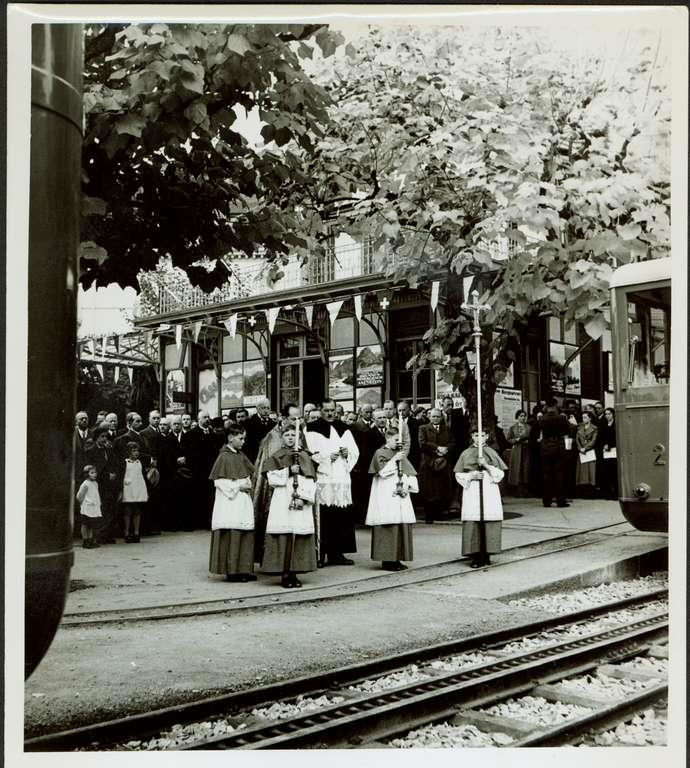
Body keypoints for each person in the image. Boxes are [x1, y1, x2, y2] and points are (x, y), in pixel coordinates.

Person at [261, 423, 318, 588]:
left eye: (294, 435)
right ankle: (285, 574)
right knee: (284, 534)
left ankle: (294, 572)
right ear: (282, 438)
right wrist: (288, 471)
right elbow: (272, 479)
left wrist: (304, 498)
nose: (290, 438)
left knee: (298, 534)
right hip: (282, 499)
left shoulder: (304, 456)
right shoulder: (276, 456)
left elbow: (311, 480)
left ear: (299, 437)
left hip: (300, 500)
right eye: (287, 435)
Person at [306, 399, 359, 566]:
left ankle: (338, 553)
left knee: (341, 516)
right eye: (326, 410)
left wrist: (347, 454)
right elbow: (309, 454)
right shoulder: (311, 429)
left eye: (332, 410)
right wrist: (327, 458)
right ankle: (320, 554)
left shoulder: (344, 428)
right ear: (320, 409)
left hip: (341, 477)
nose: (330, 413)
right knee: (325, 517)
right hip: (324, 479)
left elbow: (355, 451)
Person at [252, 403, 302, 565]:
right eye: (293, 418)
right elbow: (268, 466)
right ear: (283, 418)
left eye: (299, 418)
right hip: (275, 488)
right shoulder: (272, 437)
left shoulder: (299, 434)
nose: (297, 422)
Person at [365, 426, 418, 571]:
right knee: (388, 524)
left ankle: (397, 558)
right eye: (396, 440)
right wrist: (395, 459)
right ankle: (387, 560)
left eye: (400, 440)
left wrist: (407, 486)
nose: (399, 443)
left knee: (400, 524)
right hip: (386, 493)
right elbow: (382, 472)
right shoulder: (380, 453)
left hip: (401, 494)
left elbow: (409, 473)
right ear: (387, 438)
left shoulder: (400, 454)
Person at [208, 425, 256, 583]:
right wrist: (238, 487)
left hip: (242, 500)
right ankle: (232, 571)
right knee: (232, 535)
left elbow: (248, 473)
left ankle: (243, 569)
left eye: (244, 438)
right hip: (230, 501)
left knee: (244, 533)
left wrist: (246, 484)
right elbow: (219, 481)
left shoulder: (240, 455)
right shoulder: (224, 457)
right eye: (241, 438)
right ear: (230, 438)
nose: (243, 442)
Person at [454, 428, 507, 568]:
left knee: (489, 519)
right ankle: (475, 555)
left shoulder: (492, 452)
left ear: (487, 436)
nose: (479, 438)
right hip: (472, 489)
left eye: (482, 435)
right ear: (472, 436)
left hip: (489, 488)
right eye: (476, 435)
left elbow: (500, 474)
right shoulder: (466, 453)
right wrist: (471, 476)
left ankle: (487, 554)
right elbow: (458, 474)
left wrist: (486, 465)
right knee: (474, 519)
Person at [417, 408, 455, 523]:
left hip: (443, 463)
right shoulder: (423, 428)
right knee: (428, 490)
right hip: (428, 463)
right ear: (429, 417)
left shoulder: (447, 428)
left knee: (441, 488)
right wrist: (437, 449)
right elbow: (422, 444)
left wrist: (446, 449)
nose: (435, 418)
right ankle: (429, 515)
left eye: (438, 416)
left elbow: (452, 442)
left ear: (441, 417)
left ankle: (439, 514)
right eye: (433, 416)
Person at [86, 427, 120, 543]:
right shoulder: (90, 451)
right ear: (96, 438)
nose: (104, 439)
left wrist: (114, 473)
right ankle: (99, 535)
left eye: (106, 437)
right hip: (99, 484)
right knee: (101, 509)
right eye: (102, 437)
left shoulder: (109, 450)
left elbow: (115, 463)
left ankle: (108, 534)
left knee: (110, 509)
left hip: (110, 484)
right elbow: (92, 469)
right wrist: (107, 475)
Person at [539, 399, 570, 508]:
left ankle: (546, 500)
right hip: (558, 447)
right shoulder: (561, 418)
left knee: (547, 474)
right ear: (556, 405)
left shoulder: (542, 419)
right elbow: (567, 431)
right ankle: (560, 500)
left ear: (546, 406)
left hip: (546, 447)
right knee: (559, 473)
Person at [120, 441, 148, 543]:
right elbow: (121, 476)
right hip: (128, 489)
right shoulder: (125, 462)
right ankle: (127, 533)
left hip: (138, 489)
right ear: (128, 452)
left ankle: (136, 533)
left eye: (137, 451)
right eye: (133, 451)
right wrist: (121, 490)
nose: (136, 453)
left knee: (137, 511)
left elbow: (143, 476)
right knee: (127, 511)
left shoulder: (140, 462)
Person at [76, 465, 102, 549]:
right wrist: (83, 504)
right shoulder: (85, 484)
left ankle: (90, 540)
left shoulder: (95, 483)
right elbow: (79, 496)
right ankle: (85, 540)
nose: (95, 474)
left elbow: (95, 494)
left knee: (91, 525)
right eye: (92, 473)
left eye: (95, 472)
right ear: (87, 474)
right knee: (85, 524)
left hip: (93, 507)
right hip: (87, 508)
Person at [506, 409, 531, 496]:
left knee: (526, 469)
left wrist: (529, 441)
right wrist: (515, 440)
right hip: (517, 450)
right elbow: (508, 439)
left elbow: (532, 438)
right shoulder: (513, 428)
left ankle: (526, 490)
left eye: (524, 416)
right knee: (517, 468)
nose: (523, 418)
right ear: (517, 417)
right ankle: (518, 490)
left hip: (526, 450)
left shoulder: (529, 427)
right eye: (521, 416)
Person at [575, 410, 598, 497]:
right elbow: (577, 439)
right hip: (581, 451)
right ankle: (582, 490)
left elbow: (593, 440)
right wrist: (580, 448)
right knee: (582, 472)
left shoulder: (594, 428)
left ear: (590, 418)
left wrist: (586, 448)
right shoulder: (579, 428)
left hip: (589, 451)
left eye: (585, 417)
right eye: (583, 417)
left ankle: (590, 491)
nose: (583, 419)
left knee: (591, 471)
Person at [598, 407, 618, 500]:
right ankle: (608, 493)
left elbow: (616, 437)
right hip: (605, 451)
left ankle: (616, 493)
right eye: (606, 414)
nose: (607, 416)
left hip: (614, 450)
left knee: (614, 471)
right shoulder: (603, 424)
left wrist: (609, 445)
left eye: (609, 414)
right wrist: (604, 445)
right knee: (607, 472)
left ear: (613, 414)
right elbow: (601, 437)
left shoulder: (616, 425)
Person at [397, 399, 421, 468]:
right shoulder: (395, 423)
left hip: (413, 456)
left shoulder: (417, 423)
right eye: (399, 410)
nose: (401, 413)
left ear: (409, 410)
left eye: (403, 410)